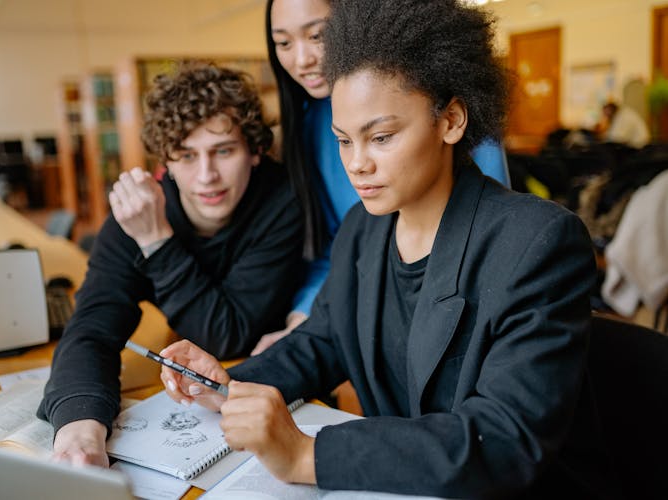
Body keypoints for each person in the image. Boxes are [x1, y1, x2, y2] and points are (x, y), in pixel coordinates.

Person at [160, 0, 611, 497]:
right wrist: (229, 385)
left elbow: (503, 440)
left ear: (452, 120)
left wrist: (307, 454)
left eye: (380, 137)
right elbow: (326, 340)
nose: (357, 164)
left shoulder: (537, 242)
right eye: (343, 141)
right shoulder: (363, 229)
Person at [37, 63, 303, 466]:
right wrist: (81, 428)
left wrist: (157, 242)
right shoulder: (139, 211)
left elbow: (227, 336)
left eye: (224, 151)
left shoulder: (281, 199)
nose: (206, 176)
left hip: (274, 388)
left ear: (254, 152)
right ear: (166, 160)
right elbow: (92, 329)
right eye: (186, 155)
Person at [252, 0, 512, 354]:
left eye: (318, 35)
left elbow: (493, 231)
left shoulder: (447, 115)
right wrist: (305, 315)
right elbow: (336, 247)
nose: (302, 59)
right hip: (369, 311)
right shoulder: (310, 121)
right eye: (283, 43)